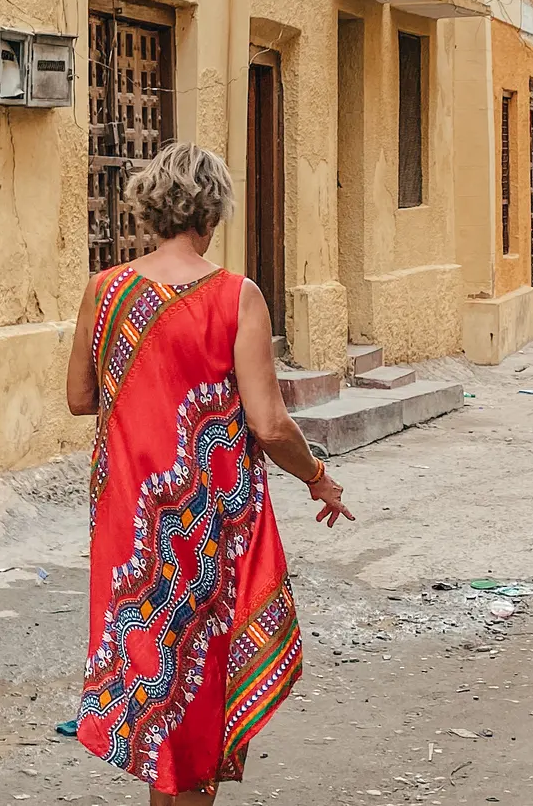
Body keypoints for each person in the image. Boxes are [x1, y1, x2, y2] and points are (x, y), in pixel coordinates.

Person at [64, 141, 354, 806]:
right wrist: (316, 475)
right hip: (203, 522)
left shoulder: (104, 291)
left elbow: (80, 397)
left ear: (150, 208)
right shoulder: (236, 296)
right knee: (198, 686)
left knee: (155, 686)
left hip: (130, 521)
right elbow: (269, 424)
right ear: (212, 213)